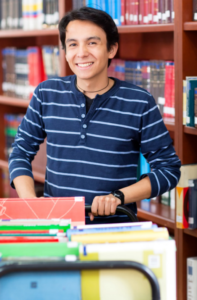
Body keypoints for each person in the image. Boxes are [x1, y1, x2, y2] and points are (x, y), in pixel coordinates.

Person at [9, 7, 181, 224]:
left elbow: (169, 170)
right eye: (73, 44)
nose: (81, 53)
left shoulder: (139, 101)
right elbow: (20, 153)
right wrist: (30, 202)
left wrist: (118, 197)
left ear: (111, 49)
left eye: (92, 43)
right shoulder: (46, 94)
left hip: (114, 230)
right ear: (65, 50)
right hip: (56, 226)